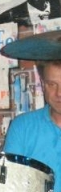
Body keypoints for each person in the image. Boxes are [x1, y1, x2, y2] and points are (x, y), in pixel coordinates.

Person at [4, 60, 61, 191]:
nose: (59, 93)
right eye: (52, 84)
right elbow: (10, 183)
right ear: (42, 84)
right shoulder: (22, 126)